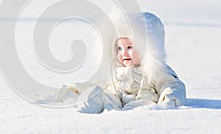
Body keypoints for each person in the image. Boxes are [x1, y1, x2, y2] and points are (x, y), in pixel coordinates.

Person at [56, 12, 187, 113]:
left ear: (147, 49)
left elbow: (171, 85)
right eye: (119, 48)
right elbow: (100, 83)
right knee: (98, 93)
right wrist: (81, 89)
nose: (124, 53)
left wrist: (169, 100)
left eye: (130, 47)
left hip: (142, 100)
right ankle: (86, 108)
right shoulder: (114, 69)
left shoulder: (155, 69)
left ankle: (126, 119)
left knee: (141, 106)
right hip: (115, 99)